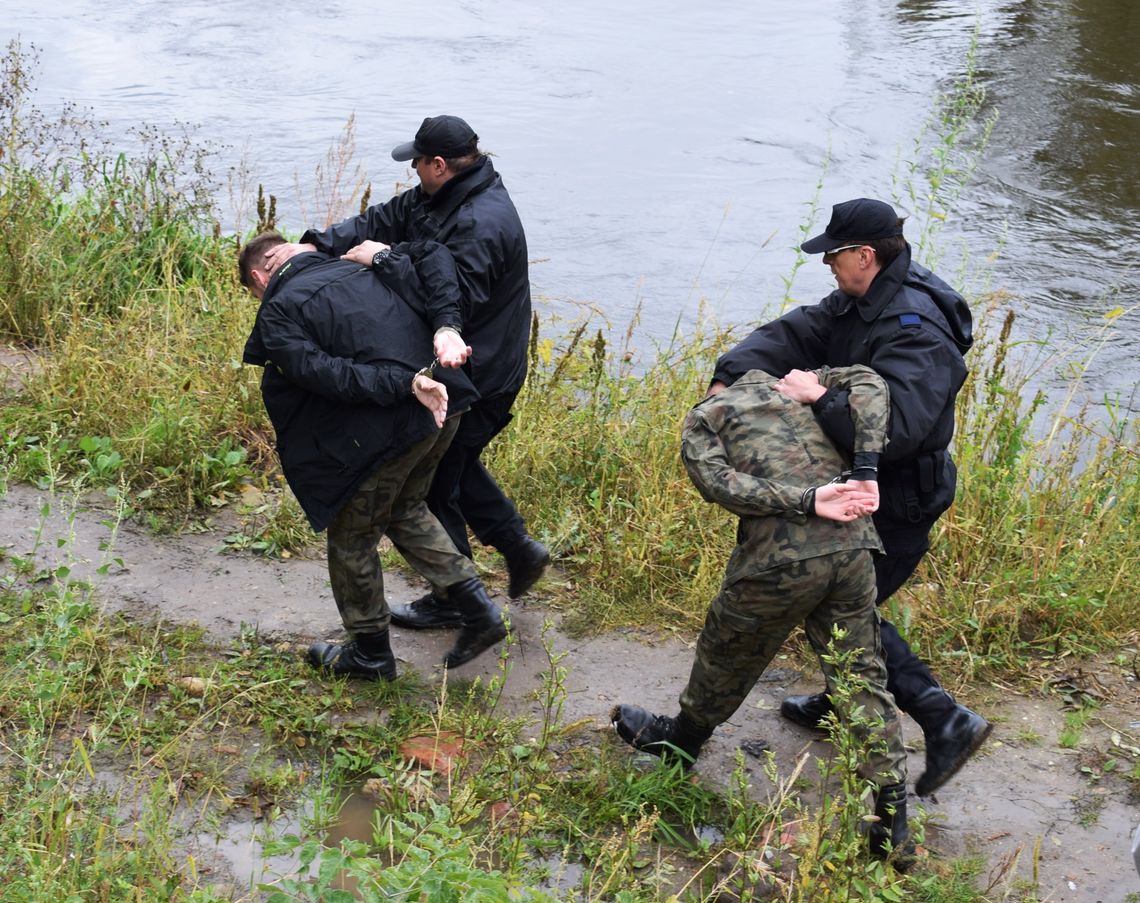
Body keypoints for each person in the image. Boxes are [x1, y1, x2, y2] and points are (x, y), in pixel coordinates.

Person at [708, 198, 990, 797]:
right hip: (867, 493)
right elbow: (801, 330)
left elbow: (900, 427)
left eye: (835, 256)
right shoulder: (866, 296)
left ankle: (946, 720)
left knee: (840, 610)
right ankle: (844, 703)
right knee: (839, 604)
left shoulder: (917, 327)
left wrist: (818, 399)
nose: (829, 267)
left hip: (901, 497)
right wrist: (730, 374)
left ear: (865, 255)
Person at [611, 365, 911, 864]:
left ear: (716, 383)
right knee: (861, 674)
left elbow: (718, 484)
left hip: (781, 559)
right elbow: (874, 383)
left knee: (726, 648)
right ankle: (892, 819)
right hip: (855, 546)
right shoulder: (801, 384)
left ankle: (681, 743)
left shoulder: (706, 413)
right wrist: (865, 467)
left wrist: (805, 500)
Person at [264, 115, 549, 635]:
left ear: (438, 165)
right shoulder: (437, 196)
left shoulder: (481, 223)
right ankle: (514, 551)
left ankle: (460, 599)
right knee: (447, 472)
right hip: (448, 362)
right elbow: (380, 219)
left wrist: (386, 259)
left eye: (417, 162)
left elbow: (448, 303)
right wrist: (315, 246)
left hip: (480, 366)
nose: (413, 171)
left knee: (437, 479)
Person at [239, 231, 508, 676]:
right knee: (404, 508)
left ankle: (369, 653)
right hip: (450, 403)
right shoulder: (361, 264)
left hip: (404, 417)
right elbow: (431, 257)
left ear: (259, 276)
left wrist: (404, 384)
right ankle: (478, 611)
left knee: (351, 536)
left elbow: (326, 375)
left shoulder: (280, 309)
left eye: (253, 294)